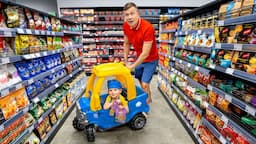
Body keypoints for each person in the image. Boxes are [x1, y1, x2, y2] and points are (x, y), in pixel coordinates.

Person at [123, 2, 158, 104]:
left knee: (145, 83)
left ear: (138, 14)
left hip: (151, 59)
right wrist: (125, 60)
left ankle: (147, 100)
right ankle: (145, 92)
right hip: (140, 58)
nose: (129, 17)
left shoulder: (148, 28)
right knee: (139, 78)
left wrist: (132, 66)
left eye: (132, 13)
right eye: (127, 15)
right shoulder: (126, 26)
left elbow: (145, 53)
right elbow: (126, 44)